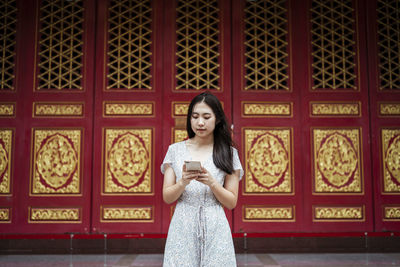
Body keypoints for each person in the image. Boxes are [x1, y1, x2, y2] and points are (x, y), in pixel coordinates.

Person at [161, 91, 244, 267]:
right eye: (195, 116)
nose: (200, 122)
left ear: (218, 119)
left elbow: (231, 202)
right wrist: (183, 182)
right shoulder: (174, 151)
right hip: (182, 226)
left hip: (216, 227)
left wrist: (211, 182)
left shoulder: (229, 154)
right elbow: (167, 197)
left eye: (206, 117)